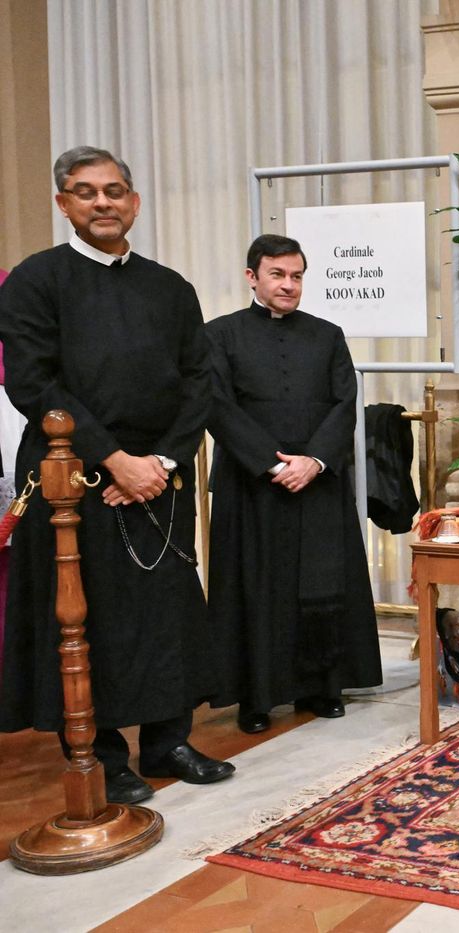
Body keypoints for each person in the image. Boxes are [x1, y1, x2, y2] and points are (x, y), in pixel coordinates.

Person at [0, 146, 233, 804]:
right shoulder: (36, 280)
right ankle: (100, 756)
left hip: (159, 474)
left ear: (133, 202)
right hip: (74, 477)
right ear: (63, 203)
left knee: (166, 613)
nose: (102, 202)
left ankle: (168, 742)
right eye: (85, 191)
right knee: (89, 619)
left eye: (113, 191)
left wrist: (162, 461)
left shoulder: (170, 286)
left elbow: (199, 380)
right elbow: (33, 383)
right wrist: (114, 459)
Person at [205, 234, 381, 734]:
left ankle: (321, 687)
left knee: (320, 583)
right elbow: (216, 404)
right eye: (278, 274)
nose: (288, 285)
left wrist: (315, 461)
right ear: (252, 277)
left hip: (318, 482)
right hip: (251, 483)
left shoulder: (327, 335)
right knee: (254, 587)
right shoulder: (219, 334)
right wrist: (270, 464)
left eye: (297, 276)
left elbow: (345, 403)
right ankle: (255, 698)